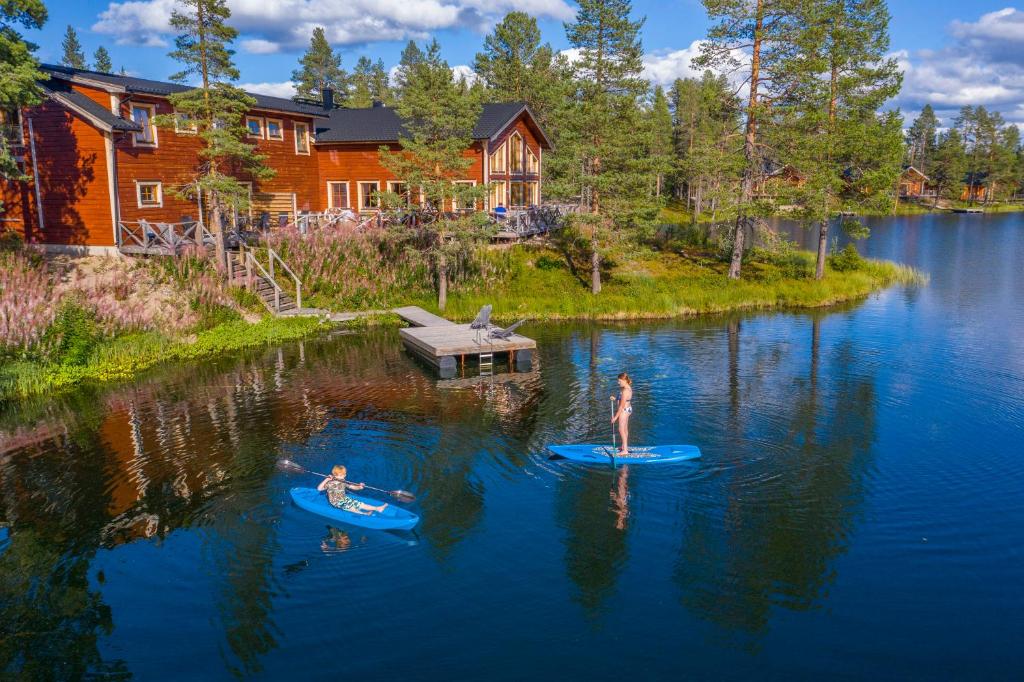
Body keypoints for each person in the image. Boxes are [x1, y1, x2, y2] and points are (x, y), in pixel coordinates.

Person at [317, 465, 387, 515]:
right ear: (335, 475)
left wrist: (359, 487)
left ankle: (377, 508)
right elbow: (319, 489)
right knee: (351, 508)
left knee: (360, 504)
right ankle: (365, 514)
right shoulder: (330, 483)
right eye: (342, 475)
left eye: (344, 474)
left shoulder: (343, 481)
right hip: (336, 502)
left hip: (344, 499)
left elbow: (351, 487)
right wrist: (326, 479)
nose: (344, 476)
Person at [611, 372, 633, 455]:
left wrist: (615, 417)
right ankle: (624, 446)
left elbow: (621, 406)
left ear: (624, 380)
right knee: (625, 429)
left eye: (619, 381)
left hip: (624, 410)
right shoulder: (626, 388)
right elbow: (622, 398)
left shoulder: (625, 391)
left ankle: (625, 450)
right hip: (628, 409)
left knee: (621, 429)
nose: (618, 383)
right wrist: (615, 398)